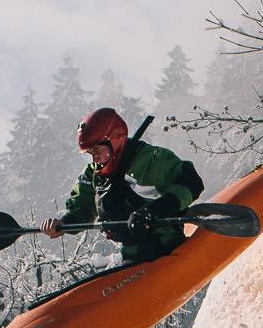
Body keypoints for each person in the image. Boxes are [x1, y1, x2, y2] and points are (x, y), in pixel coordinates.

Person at [39, 107, 205, 264]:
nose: (94, 158)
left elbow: (192, 183)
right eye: (90, 153)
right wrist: (64, 223)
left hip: (169, 246)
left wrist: (152, 211)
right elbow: (82, 209)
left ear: (116, 138)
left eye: (97, 151)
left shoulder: (150, 160)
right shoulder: (92, 173)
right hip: (131, 255)